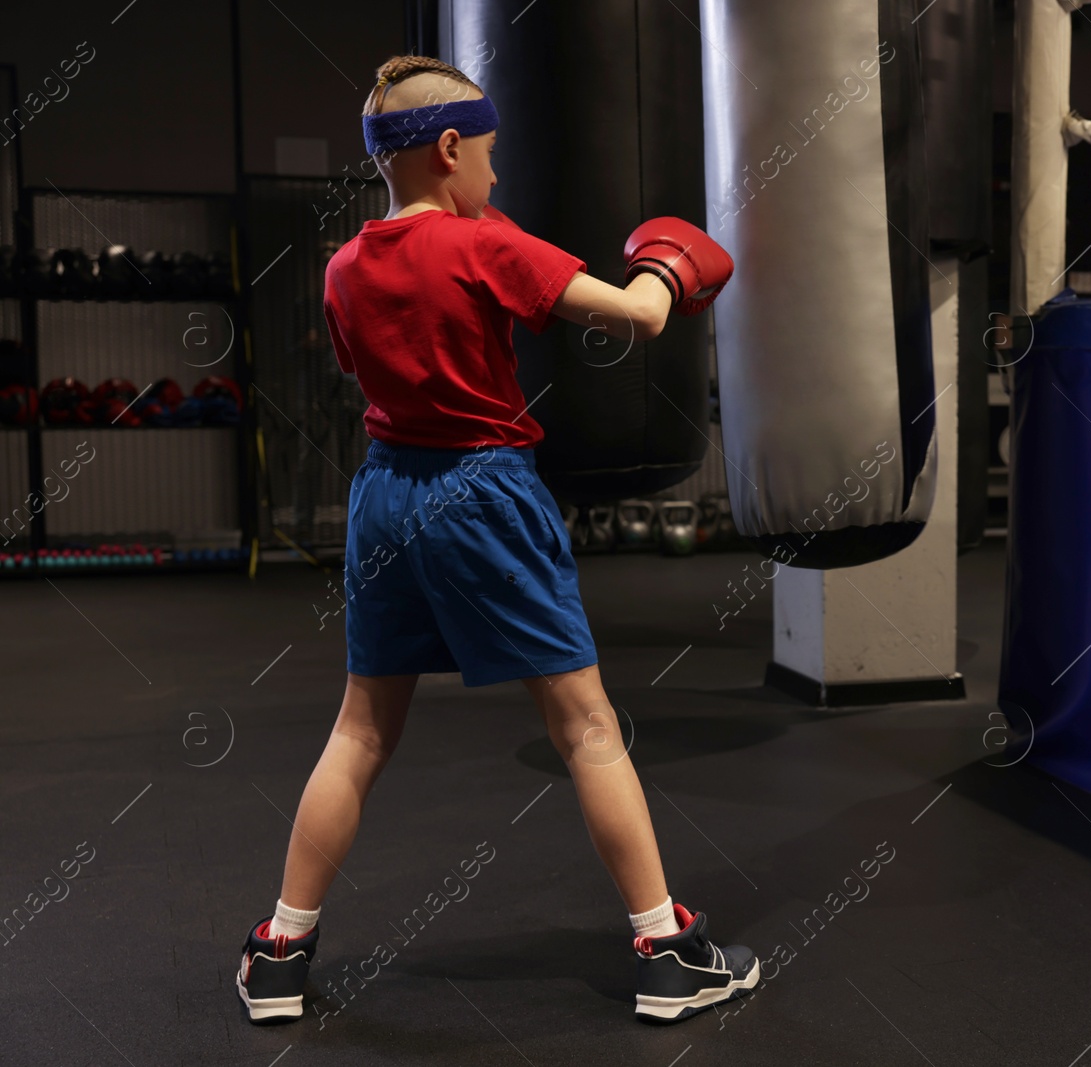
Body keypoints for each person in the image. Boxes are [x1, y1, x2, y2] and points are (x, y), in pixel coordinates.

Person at [234, 54, 753, 1027]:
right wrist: (665, 260)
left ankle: (279, 951)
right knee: (587, 726)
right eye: (489, 155)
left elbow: (375, 363)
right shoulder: (488, 248)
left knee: (360, 729)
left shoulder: (345, 266)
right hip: (483, 491)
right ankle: (666, 949)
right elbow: (641, 315)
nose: (498, 175)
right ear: (447, 149)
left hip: (385, 494)